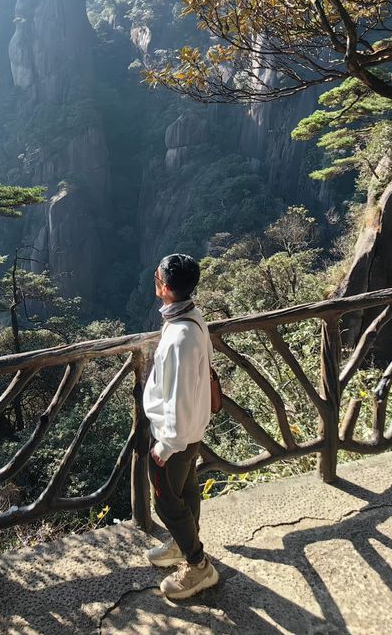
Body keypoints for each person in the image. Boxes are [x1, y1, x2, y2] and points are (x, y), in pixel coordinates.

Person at [143, 253, 219, 600]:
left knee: (166, 502)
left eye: (158, 277)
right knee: (187, 491)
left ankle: (198, 565)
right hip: (192, 434)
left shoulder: (178, 338)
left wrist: (164, 445)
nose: (155, 280)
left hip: (175, 439)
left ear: (166, 288)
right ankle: (182, 542)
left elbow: (177, 398)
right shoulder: (192, 316)